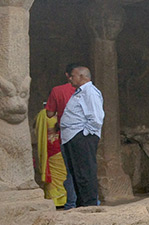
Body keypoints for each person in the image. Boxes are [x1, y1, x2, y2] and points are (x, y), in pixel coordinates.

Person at [60, 66, 104, 207]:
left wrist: (84, 135)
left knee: (85, 172)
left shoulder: (89, 92)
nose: (70, 78)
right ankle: (82, 203)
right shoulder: (80, 92)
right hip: (73, 137)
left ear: (81, 76)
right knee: (77, 173)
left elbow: (96, 118)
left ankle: (89, 204)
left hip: (82, 137)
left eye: (72, 76)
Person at [46, 63, 81, 208]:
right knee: (86, 169)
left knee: (70, 171)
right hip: (85, 135)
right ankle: (91, 201)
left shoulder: (57, 90)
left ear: (67, 75)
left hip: (66, 136)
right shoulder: (86, 90)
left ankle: (71, 203)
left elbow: (49, 114)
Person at [35, 104, 68, 207]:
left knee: (64, 171)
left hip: (62, 143)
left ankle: (65, 198)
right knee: (53, 172)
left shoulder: (62, 112)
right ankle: (54, 199)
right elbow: (37, 127)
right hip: (50, 146)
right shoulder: (43, 114)